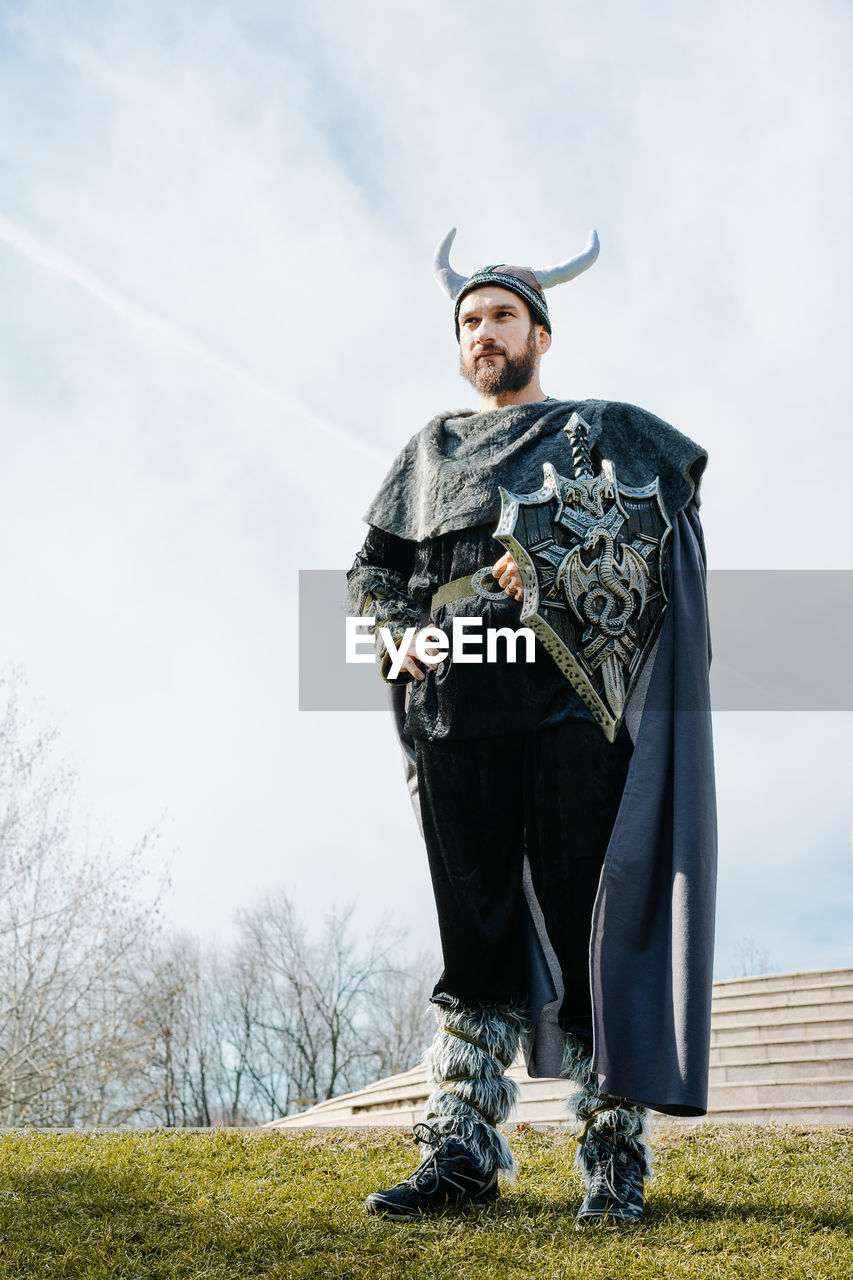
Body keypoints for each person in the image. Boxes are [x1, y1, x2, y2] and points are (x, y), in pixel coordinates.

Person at [347, 229, 717, 1226]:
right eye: (468, 320)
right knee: (474, 949)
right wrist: (393, 636)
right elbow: (371, 571)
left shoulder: (597, 429)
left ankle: (610, 1155)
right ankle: (461, 1150)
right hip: (454, 722)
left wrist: (558, 566)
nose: (483, 333)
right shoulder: (426, 452)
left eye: (500, 315)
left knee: (582, 929)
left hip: (566, 718)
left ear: (539, 332)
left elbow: (655, 526)